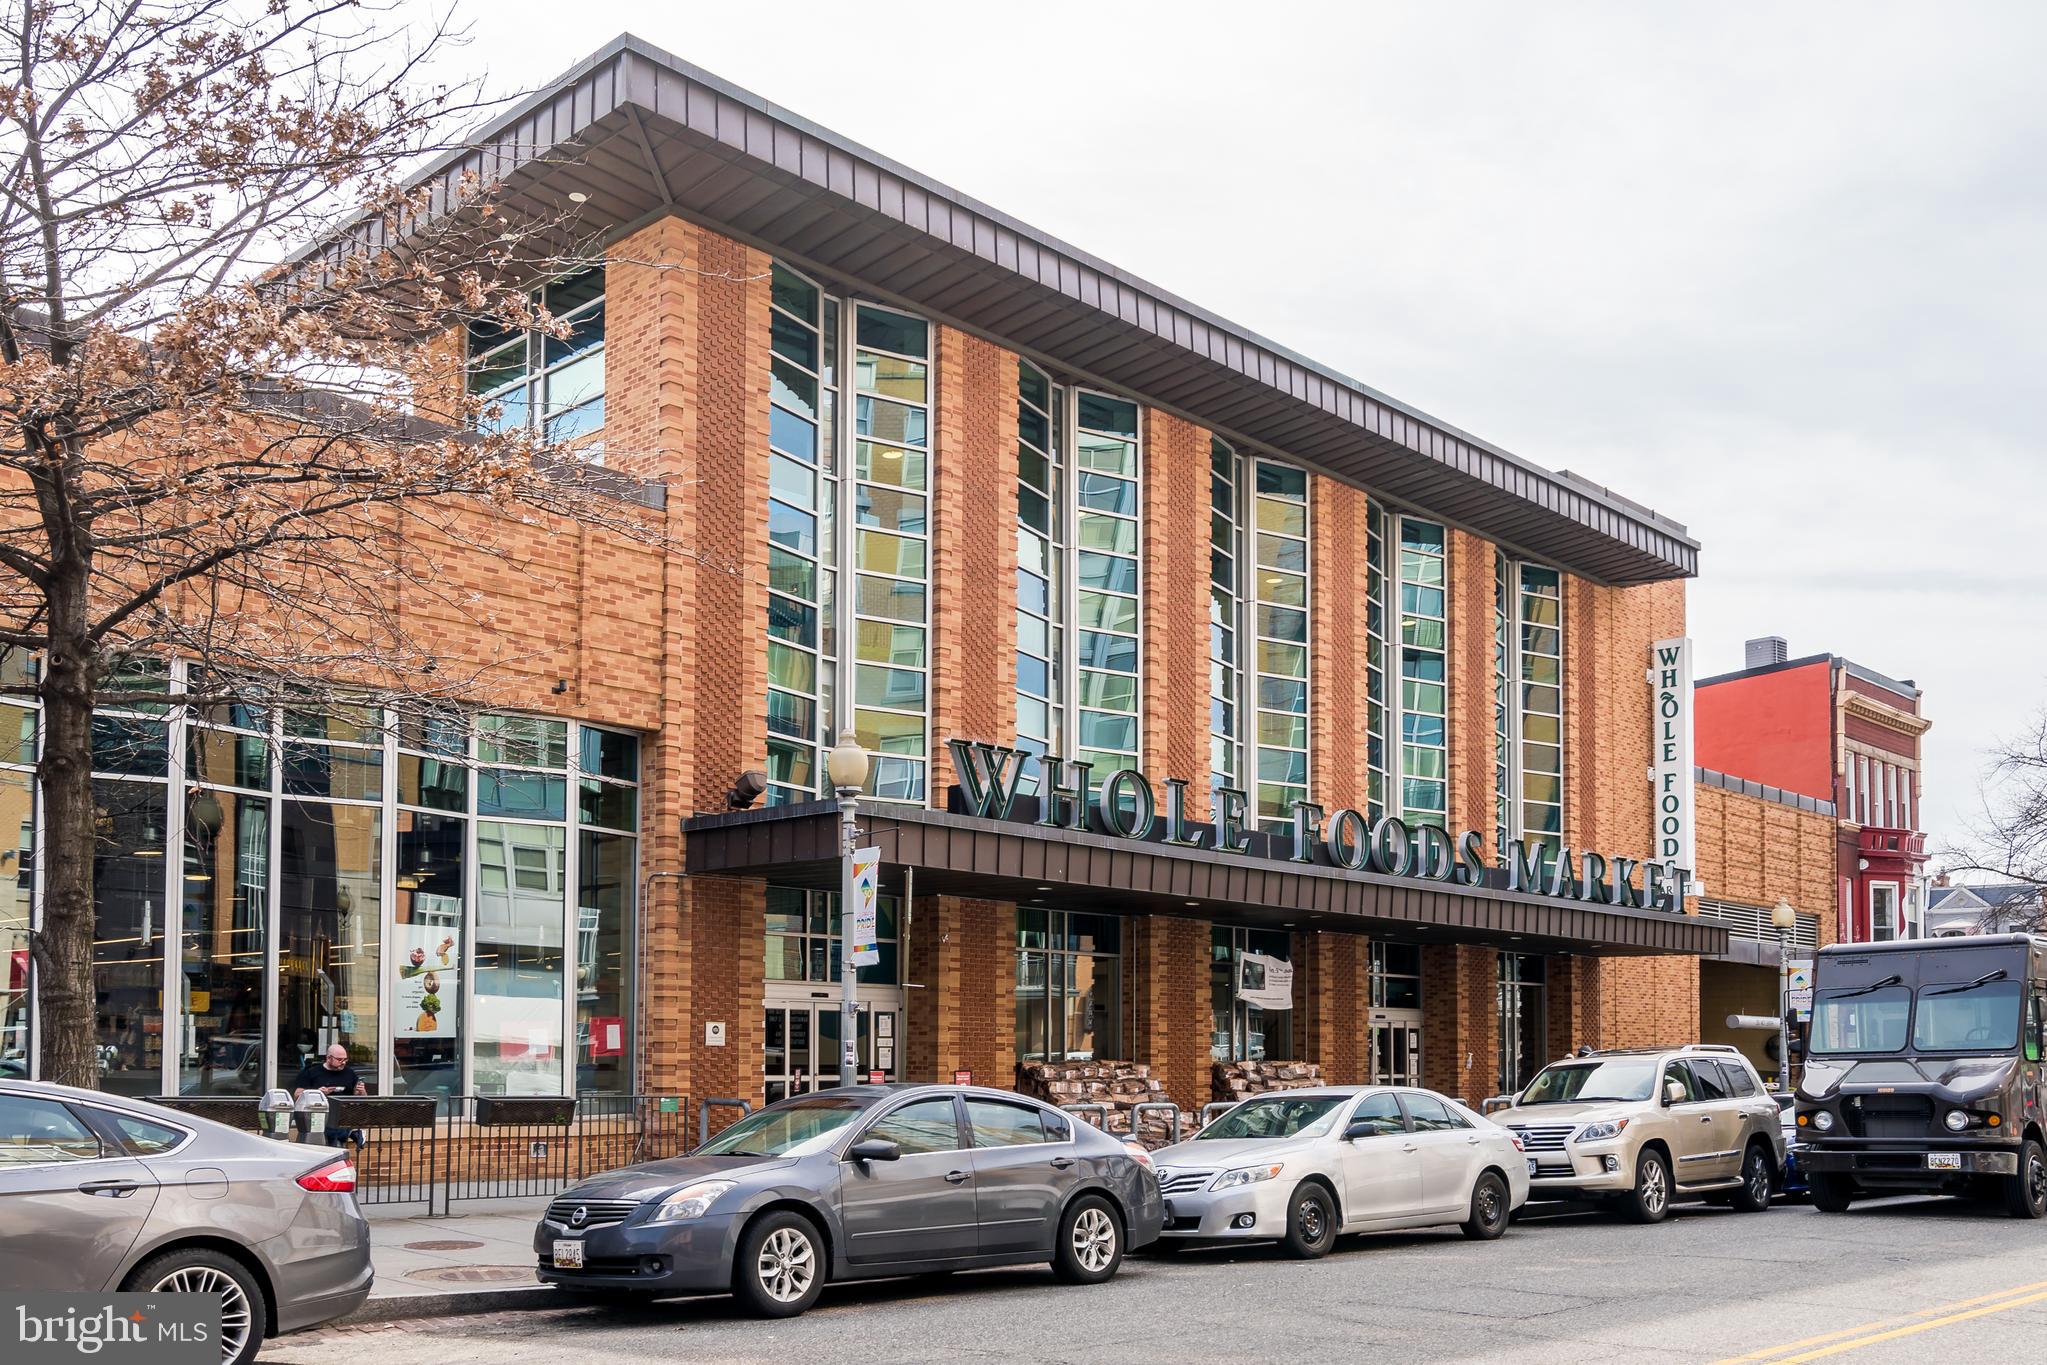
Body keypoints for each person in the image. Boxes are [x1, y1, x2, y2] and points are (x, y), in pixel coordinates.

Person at [292, 1045, 369, 1150]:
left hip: (343, 1115)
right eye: (339, 1059)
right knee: (331, 1138)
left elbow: (359, 1098)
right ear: (328, 1058)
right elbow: (297, 1095)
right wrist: (317, 1092)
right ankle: (351, 1132)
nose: (343, 1062)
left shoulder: (349, 1073)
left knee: (335, 1141)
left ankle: (349, 1132)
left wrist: (362, 1091)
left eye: (345, 1059)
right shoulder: (312, 1072)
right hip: (319, 1116)